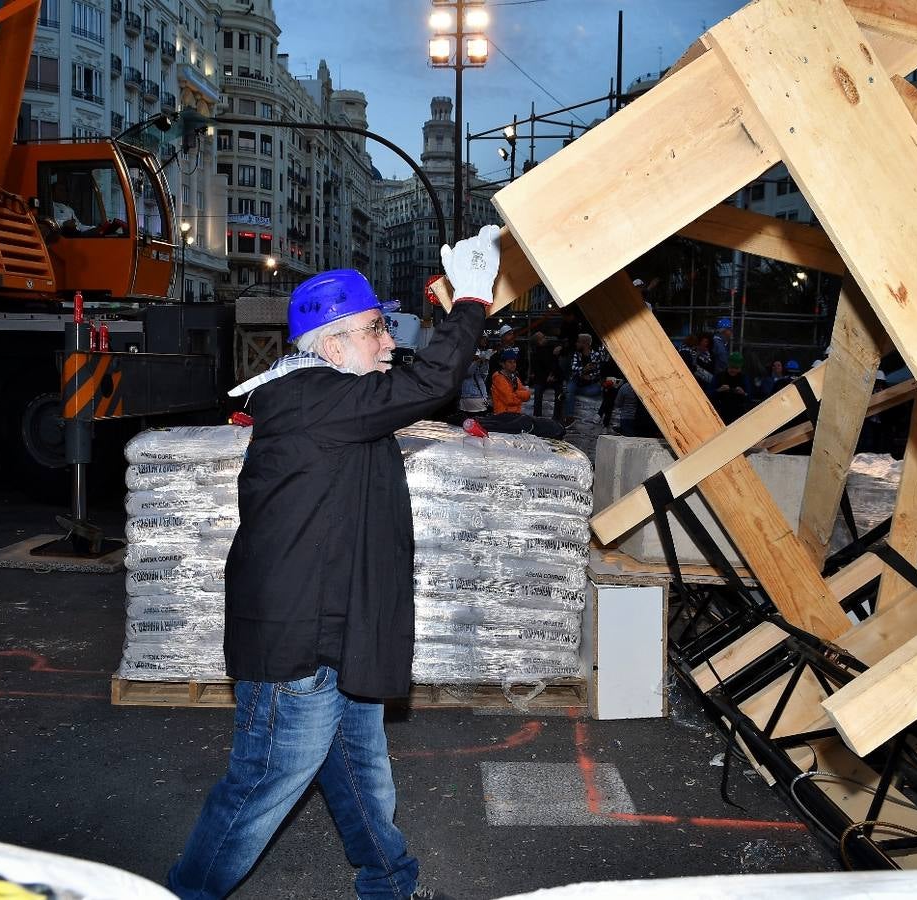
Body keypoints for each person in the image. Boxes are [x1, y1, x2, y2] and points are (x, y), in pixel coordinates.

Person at [165, 226, 502, 900]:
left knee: (358, 767)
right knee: (262, 784)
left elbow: (414, 380)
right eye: (376, 329)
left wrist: (450, 305)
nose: (389, 342)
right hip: (298, 642)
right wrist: (468, 300)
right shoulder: (309, 398)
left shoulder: (336, 399)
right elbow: (432, 381)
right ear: (332, 345)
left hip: (336, 631)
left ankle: (388, 879)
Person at [562, 333, 606, 424]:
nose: (576, 344)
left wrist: (590, 377)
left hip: (589, 384)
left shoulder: (596, 355)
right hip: (577, 380)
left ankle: (569, 393)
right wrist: (583, 371)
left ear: (585, 344)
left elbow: (597, 371)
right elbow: (573, 368)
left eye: (578, 342)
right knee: (570, 387)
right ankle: (569, 417)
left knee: (596, 390)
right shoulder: (576, 354)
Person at [711, 350, 750, 424]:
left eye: (736, 368)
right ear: (728, 365)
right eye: (732, 368)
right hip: (721, 413)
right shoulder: (719, 377)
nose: (733, 370)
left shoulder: (744, 378)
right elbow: (708, 394)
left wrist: (743, 393)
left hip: (739, 414)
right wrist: (719, 390)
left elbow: (750, 397)